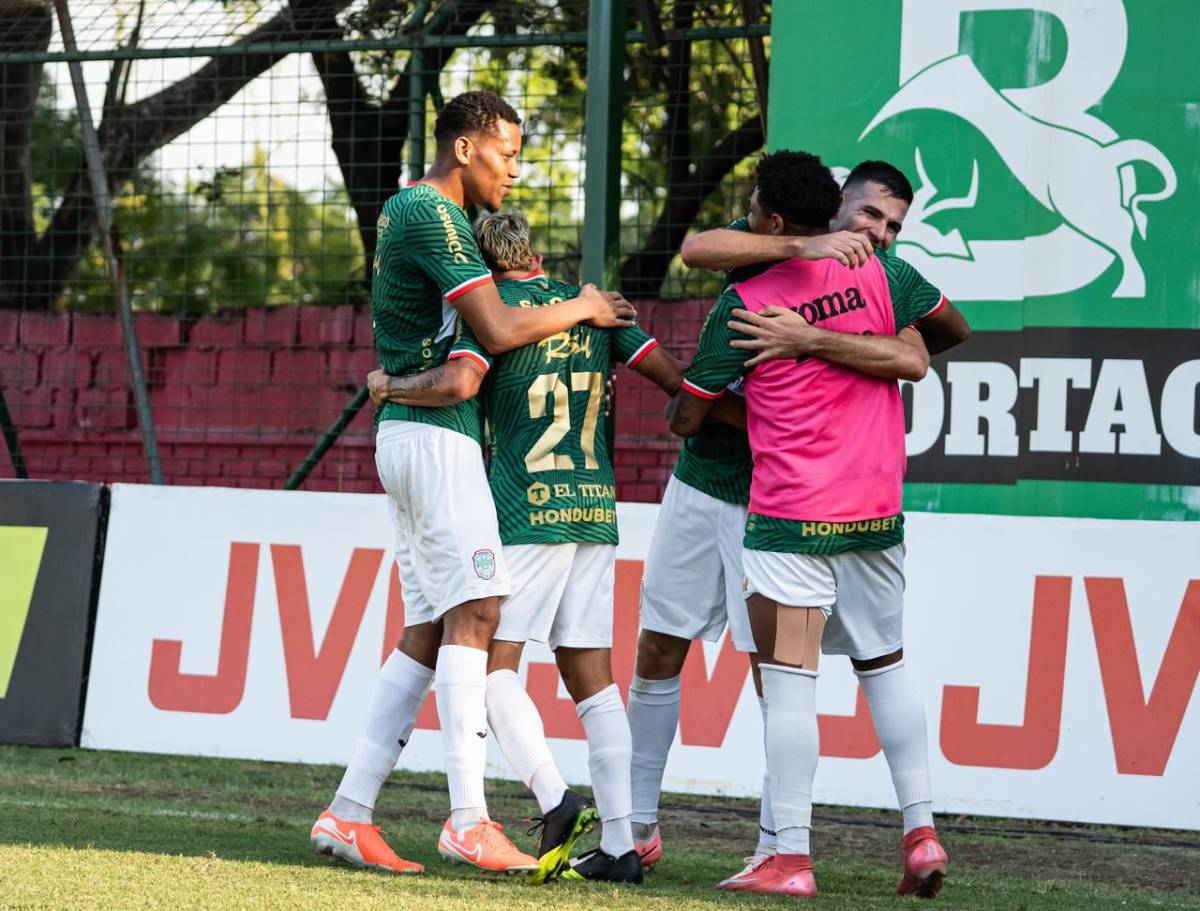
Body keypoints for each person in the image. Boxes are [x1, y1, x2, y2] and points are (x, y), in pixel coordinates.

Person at [310, 91, 635, 876]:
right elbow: (494, 331)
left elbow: (462, 349)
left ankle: (349, 812)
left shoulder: (421, 213)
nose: (516, 171)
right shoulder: (432, 214)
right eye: (508, 152)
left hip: (417, 435)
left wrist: (389, 384)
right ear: (464, 148)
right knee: (482, 612)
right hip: (437, 443)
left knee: (429, 629)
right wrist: (583, 304)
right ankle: (469, 819)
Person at [627, 156, 966, 886]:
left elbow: (687, 414)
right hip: (870, 509)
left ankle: (786, 854)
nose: (879, 232)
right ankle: (922, 831)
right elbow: (928, 349)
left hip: (787, 509)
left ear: (774, 215)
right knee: (885, 664)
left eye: (891, 225)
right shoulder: (882, 279)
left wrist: (804, 345)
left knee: (786, 681)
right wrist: (874, 344)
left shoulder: (751, 302)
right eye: (871, 216)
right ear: (835, 208)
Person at [365, 209, 707, 882]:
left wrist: (390, 386)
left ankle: (555, 797)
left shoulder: (492, 318)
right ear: (536, 253)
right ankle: (620, 842)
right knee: (594, 683)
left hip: (526, 511)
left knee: (487, 668)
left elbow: (457, 383)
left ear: (484, 269)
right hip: (594, 510)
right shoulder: (598, 309)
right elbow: (672, 377)